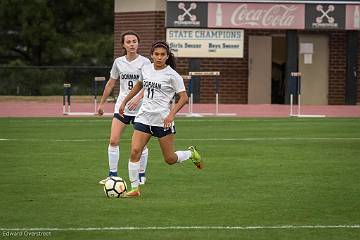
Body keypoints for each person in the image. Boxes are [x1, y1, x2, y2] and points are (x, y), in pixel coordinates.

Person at [119, 41, 203, 197]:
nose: (159, 57)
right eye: (156, 54)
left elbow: (184, 98)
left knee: (170, 159)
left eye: (162, 54)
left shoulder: (172, 75)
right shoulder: (146, 69)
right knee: (135, 151)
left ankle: (191, 154)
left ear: (167, 56)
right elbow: (139, 85)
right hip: (144, 118)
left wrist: (171, 114)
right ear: (151, 55)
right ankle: (134, 189)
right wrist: (124, 101)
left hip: (162, 120)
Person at [97, 30, 151, 185]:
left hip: (141, 108)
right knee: (113, 140)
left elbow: (148, 84)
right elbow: (111, 83)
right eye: (128, 42)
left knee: (141, 144)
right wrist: (101, 104)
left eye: (134, 41)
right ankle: (113, 175)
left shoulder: (145, 62)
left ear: (138, 43)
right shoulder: (118, 62)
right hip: (122, 107)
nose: (132, 44)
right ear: (123, 45)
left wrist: (138, 98)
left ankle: (141, 174)